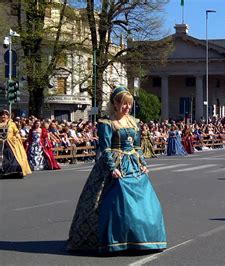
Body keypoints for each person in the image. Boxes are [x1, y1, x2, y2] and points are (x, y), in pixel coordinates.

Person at [67, 87, 166, 253]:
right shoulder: (106, 123)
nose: (127, 107)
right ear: (115, 103)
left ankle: (140, 238)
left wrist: (142, 163)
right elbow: (105, 148)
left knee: (144, 203)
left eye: (129, 104)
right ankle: (114, 239)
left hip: (133, 165)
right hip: (114, 163)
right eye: (123, 103)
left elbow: (137, 146)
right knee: (113, 202)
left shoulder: (134, 122)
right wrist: (112, 167)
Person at [0, 110, 32, 178]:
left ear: (8, 116)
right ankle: (3, 172)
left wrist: (17, 136)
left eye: (5, 115)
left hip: (11, 144)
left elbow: (16, 132)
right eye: (2, 114)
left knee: (13, 158)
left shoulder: (12, 124)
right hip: (1, 144)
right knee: (3, 158)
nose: (4, 116)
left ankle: (15, 172)